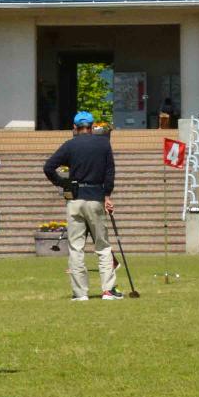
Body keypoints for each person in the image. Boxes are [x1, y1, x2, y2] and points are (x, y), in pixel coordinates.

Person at [42, 111, 123, 301]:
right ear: (92, 126)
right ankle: (108, 290)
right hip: (95, 197)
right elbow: (110, 171)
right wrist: (107, 195)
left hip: (75, 199)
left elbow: (48, 167)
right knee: (102, 246)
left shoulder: (70, 145)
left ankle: (80, 293)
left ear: (75, 127)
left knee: (76, 247)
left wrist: (63, 183)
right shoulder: (103, 144)